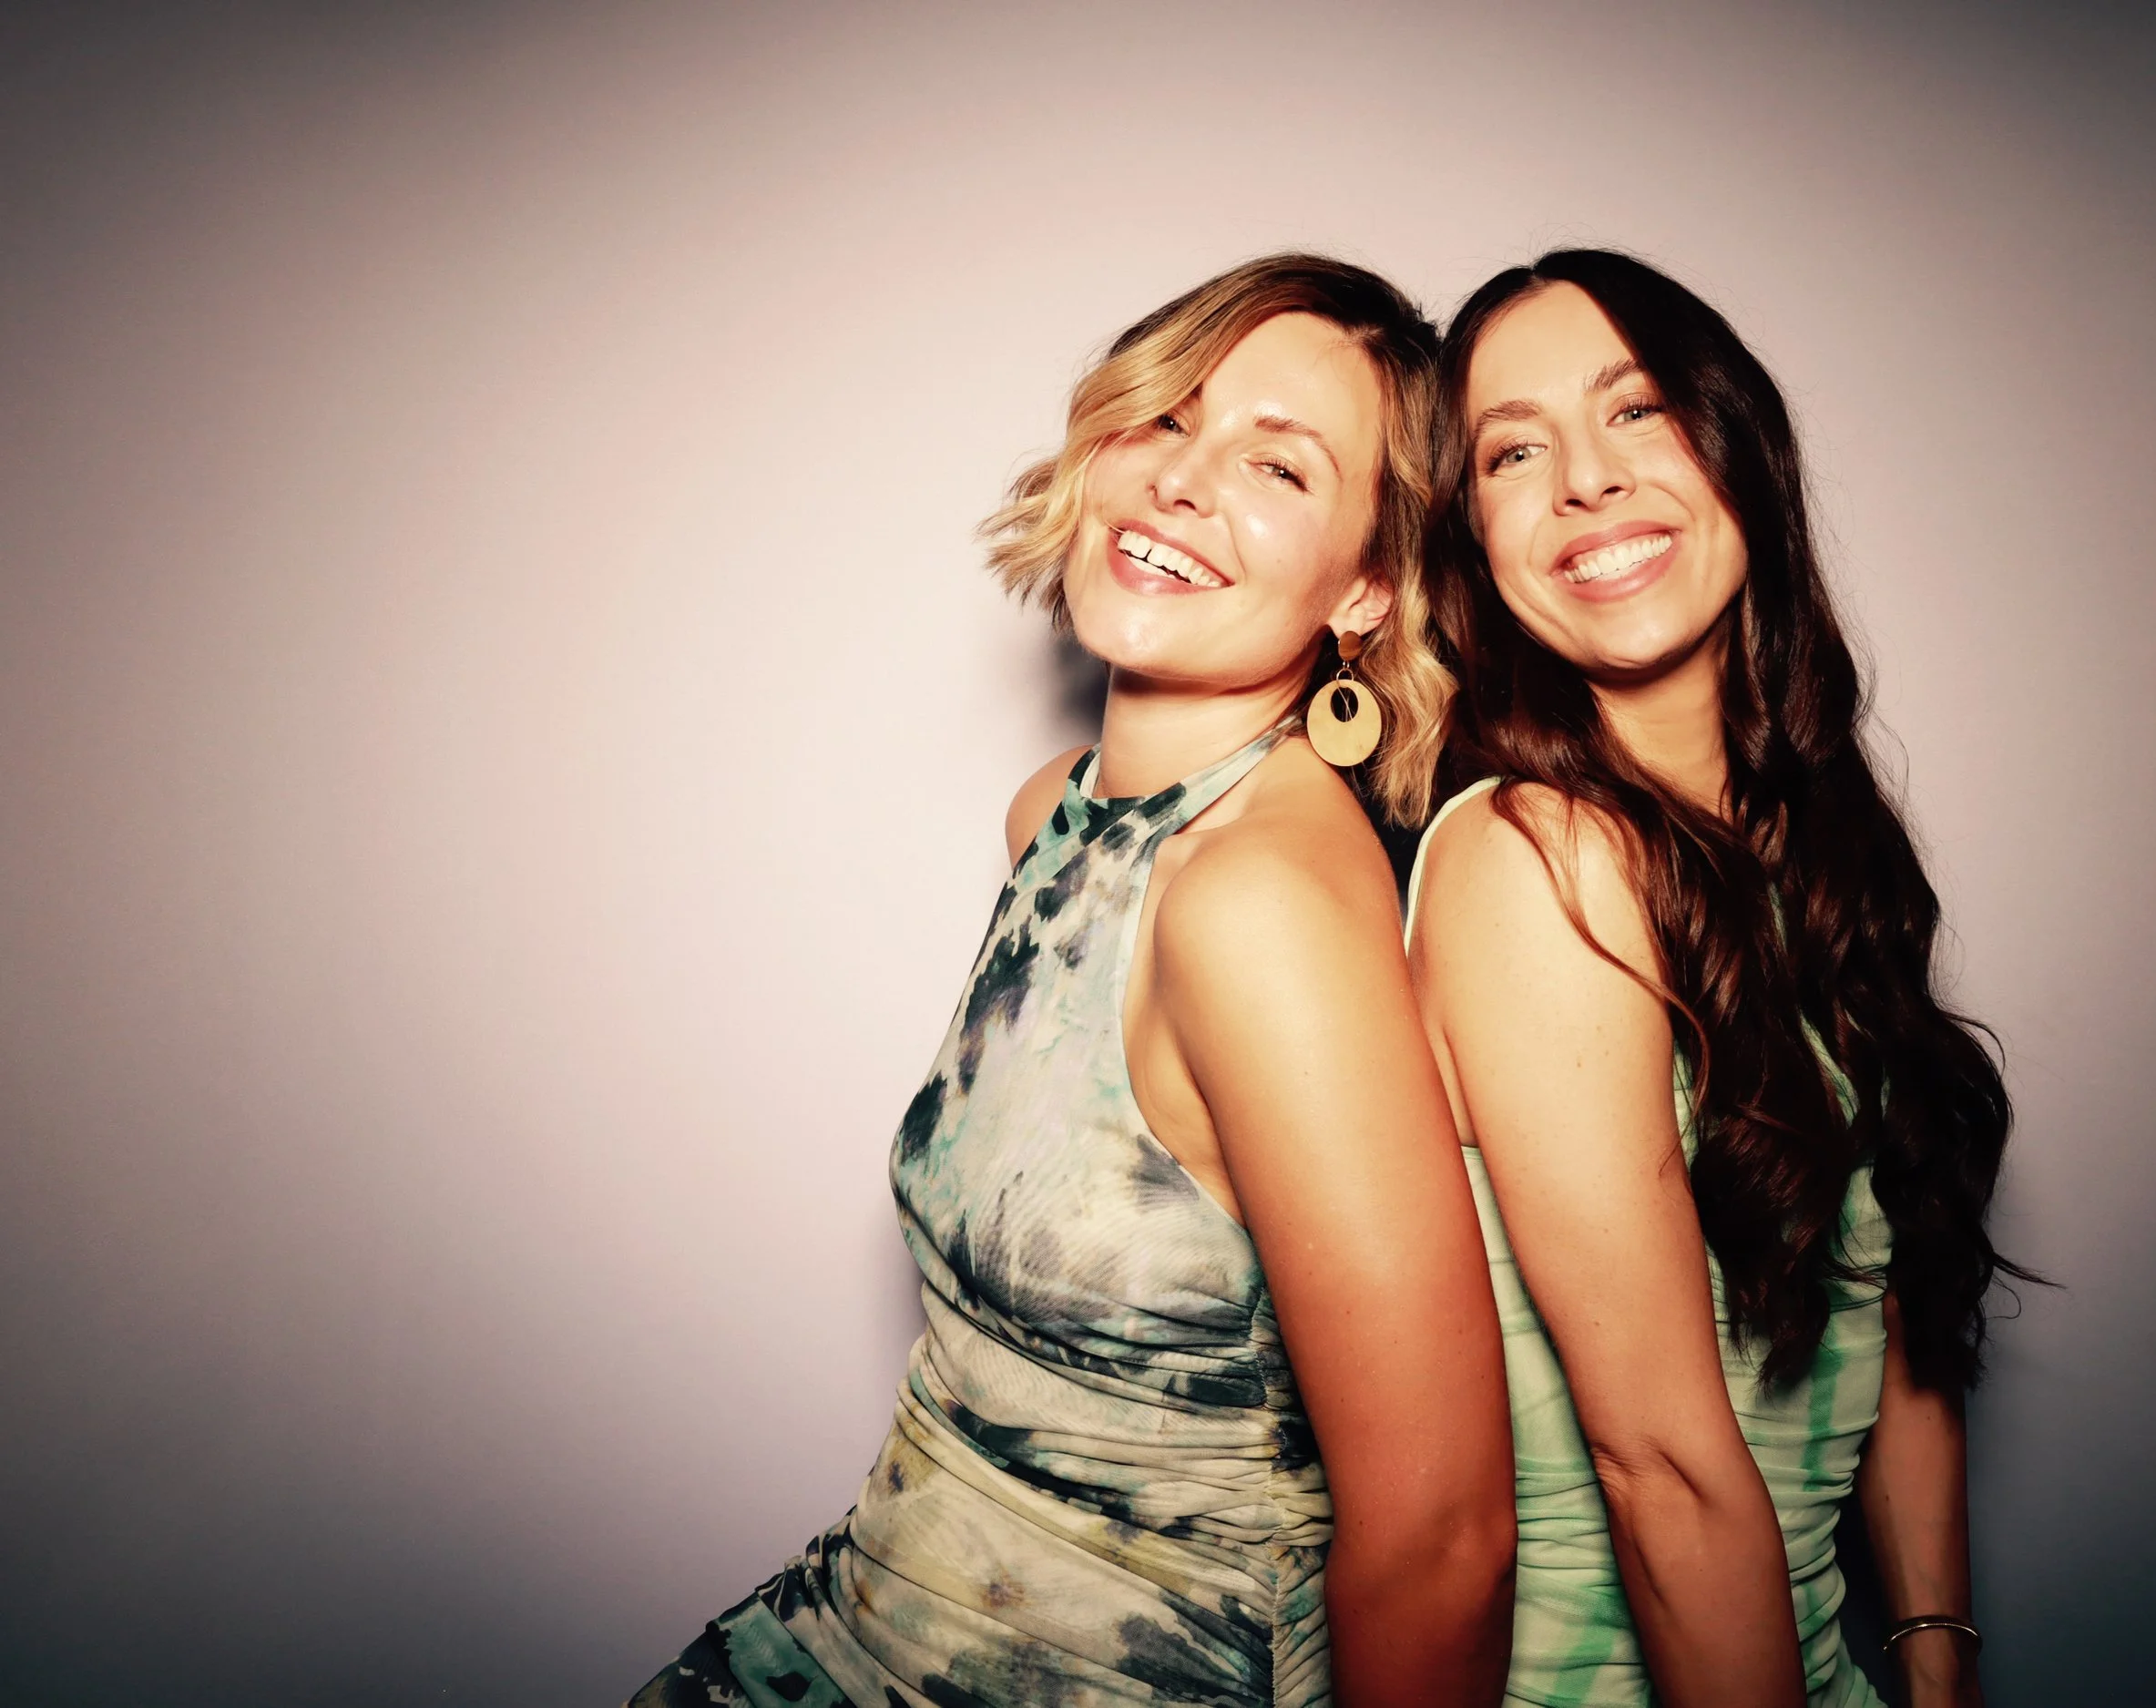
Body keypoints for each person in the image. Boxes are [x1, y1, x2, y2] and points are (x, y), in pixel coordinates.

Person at [631, 255, 1516, 1708]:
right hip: (859, 1621)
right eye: (1167, 418)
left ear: (1367, 584)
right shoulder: (1060, 810)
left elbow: (1445, 1537)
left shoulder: (1260, 902)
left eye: (1276, 467)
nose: (1182, 480)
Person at [1399, 250, 2028, 1708]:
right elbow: (1664, 1468)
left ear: (1741, 449)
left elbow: (1898, 1308)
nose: (1585, 482)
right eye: (1512, 450)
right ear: (1471, 539)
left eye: (1637, 412)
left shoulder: (1823, 846)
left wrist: (1936, 1666)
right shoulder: (1536, 855)